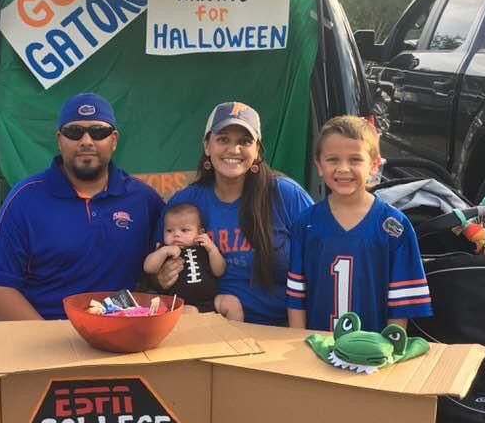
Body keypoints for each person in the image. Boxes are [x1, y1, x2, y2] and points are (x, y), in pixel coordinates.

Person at [0, 92, 165, 320]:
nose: (86, 141)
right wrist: (51, 343)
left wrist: (162, 277)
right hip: (39, 330)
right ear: (59, 140)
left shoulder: (143, 199)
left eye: (98, 132)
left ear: (114, 140)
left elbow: (162, 267)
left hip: (117, 331)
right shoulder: (24, 199)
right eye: (74, 132)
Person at [158, 101, 313, 325]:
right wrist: (160, 277)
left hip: (278, 332)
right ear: (207, 146)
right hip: (207, 329)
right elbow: (155, 265)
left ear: (257, 149)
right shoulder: (186, 201)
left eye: (244, 141)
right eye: (223, 139)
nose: (234, 150)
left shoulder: (286, 195)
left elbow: (321, 259)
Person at [286, 115, 433, 332]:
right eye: (333, 159)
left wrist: (388, 348)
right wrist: (298, 343)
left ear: (374, 165)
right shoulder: (305, 223)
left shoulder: (394, 226)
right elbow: (297, 296)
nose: (343, 169)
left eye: (355, 160)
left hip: (372, 352)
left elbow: (402, 303)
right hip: (316, 350)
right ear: (318, 165)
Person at [143, 202, 229, 314]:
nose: (176, 235)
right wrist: (163, 252)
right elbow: (148, 268)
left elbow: (219, 271)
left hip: (210, 301)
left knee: (231, 303)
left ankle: (235, 331)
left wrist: (212, 250)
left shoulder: (205, 248)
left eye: (184, 230)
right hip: (182, 303)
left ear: (200, 233)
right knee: (189, 311)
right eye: (169, 230)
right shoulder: (165, 250)